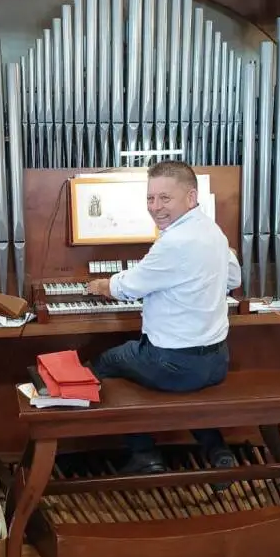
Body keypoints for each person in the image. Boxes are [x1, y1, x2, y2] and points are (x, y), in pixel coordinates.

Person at [85, 160, 242, 476]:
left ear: (191, 197)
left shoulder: (174, 242)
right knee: (178, 380)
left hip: (175, 365)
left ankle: (143, 452)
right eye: (150, 198)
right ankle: (217, 449)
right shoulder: (213, 230)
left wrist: (98, 284)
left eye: (165, 198)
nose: (155, 207)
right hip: (216, 361)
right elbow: (234, 279)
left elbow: (128, 287)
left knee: (101, 365)